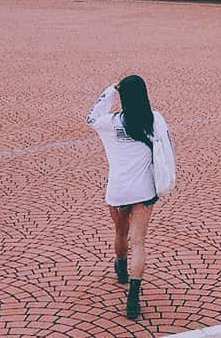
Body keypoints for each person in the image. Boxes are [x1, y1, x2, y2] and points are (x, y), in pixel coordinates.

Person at [86, 75, 170, 320]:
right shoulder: (154, 120)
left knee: (120, 233)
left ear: (122, 97)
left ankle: (121, 268)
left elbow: (90, 117)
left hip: (118, 190)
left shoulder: (110, 123)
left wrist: (110, 90)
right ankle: (133, 298)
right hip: (144, 190)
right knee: (139, 242)